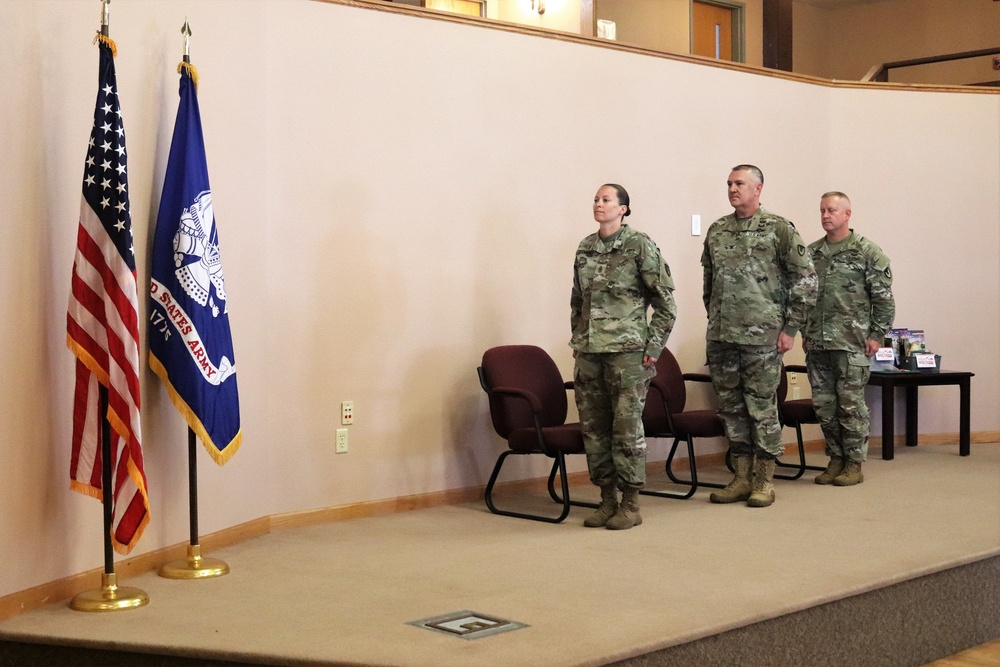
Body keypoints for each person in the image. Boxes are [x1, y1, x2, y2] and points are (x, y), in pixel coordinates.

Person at [702, 165, 817, 507]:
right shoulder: (717, 229)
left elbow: (806, 280)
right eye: (729, 184)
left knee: (761, 408)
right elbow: (709, 282)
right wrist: (715, 319)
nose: (733, 189)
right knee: (732, 409)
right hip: (722, 335)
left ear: (758, 189)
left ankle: (764, 480)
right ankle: (739, 477)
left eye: (740, 183)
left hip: (763, 337)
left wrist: (791, 328)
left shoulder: (779, 229)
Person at [570, 183, 676, 530]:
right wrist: (579, 339)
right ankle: (606, 499)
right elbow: (577, 300)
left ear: (624, 209)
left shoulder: (639, 245)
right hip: (590, 353)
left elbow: (665, 303)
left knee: (626, 430)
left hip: (628, 355)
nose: (599, 205)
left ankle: (630, 503)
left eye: (606, 200)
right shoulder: (585, 248)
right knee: (594, 429)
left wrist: (653, 346)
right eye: (596, 200)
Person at [802, 191, 894, 486]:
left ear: (847, 214)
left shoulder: (868, 252)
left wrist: (877, 334)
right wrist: (803, 331)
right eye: (822, 211)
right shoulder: (811, 254)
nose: (826, 216)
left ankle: (854, 463)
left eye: (832, 210)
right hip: (818, 342)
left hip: (853, 342)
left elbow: (883, 300)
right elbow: (801, 297)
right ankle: (836, 459)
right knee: (825, 406)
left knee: (850, 405)